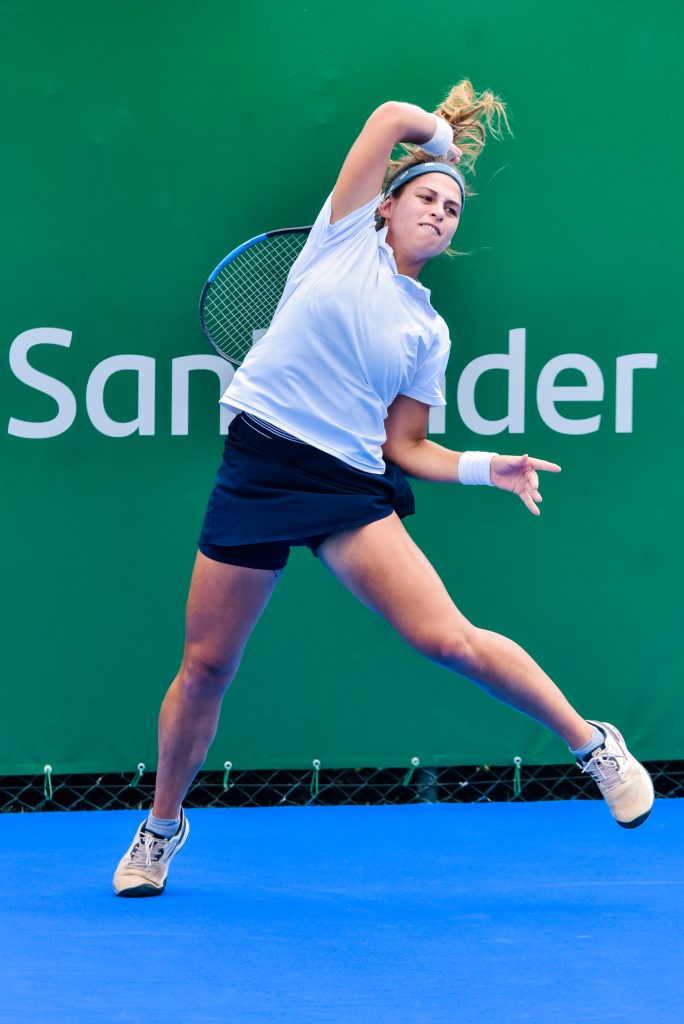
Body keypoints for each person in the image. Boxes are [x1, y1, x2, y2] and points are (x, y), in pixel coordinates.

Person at [113, 81, 654, 897]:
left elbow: (404, 446)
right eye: (427, 198)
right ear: (386, 208)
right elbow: (389, 122)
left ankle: (592, 744)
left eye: (455, 209)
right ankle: (160, 828)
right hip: (259, 470)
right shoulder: (336, 241)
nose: (442, 211)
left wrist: (484, 466)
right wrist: (445, 143)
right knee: (206, 667)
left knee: (449, 640)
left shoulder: (426, 329)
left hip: (346, 488)